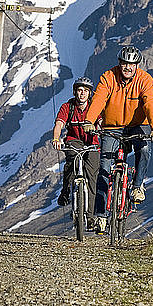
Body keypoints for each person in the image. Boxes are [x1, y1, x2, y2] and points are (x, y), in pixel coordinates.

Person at [83, 46, 153, 234]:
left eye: (131, 64)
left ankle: (137, 186)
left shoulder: (145, 79)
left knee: (144, 148)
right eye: (124, 63)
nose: (127, 67)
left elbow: (151, 102)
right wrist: (89, 120)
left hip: (138, 124)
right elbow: (99, 99)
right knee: (104, 168)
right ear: (119, 63)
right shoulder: (108, 77)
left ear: (137, 65)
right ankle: (101, 215)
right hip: (112, 126)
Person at [52, 77, 100, 229]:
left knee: (93, 176)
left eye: (86, 91)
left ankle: (91, 217)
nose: (82, 94)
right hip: (74, 140)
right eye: (80, 90)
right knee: (71, 163)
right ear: (75, 92)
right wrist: (56, 138)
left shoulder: (94, 106)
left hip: (92, 143)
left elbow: (100, 121)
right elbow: (59, 123)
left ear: (89, 93)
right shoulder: (68, 107)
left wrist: (98, 127)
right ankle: (65, 191)